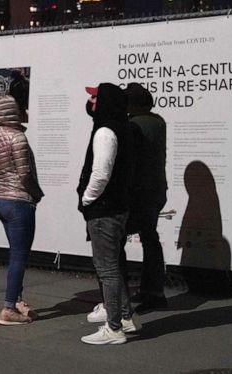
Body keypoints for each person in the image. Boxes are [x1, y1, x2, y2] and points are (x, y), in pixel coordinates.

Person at [77, 83, 139, 345]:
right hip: (116, 207)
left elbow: (101, 173)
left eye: (95, 97)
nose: (91, 101)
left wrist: (87, 199)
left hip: (104, 209)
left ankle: (114, 327)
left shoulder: (105, 131)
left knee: (107, 269)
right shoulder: (123, 128)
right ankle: (124, 317)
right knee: (113, 266)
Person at [0, 95, 44, 326]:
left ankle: (17, 301)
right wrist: (37, 193)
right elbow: (25, 174)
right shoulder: (18, 138)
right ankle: (9, 307)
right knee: (19, 256)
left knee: (14, 253)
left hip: (0, 198)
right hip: (19, 202)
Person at [125, 82, 168, 311]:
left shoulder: (133, 125)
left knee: (118, 239)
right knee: (150, 238)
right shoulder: (158, 122)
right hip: (156, 190)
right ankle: (154, 290)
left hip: (137, 192)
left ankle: (119, 296)